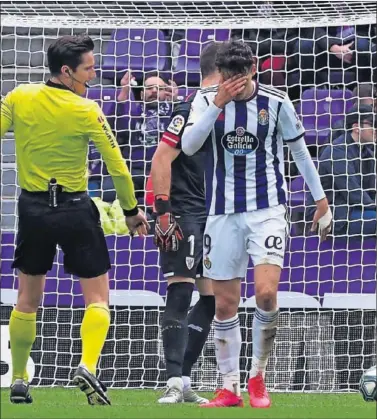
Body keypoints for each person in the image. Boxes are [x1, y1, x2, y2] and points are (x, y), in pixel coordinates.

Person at [181, 40, 332, 408]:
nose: (233, 85)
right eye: (227, 78)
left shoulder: (276, 102)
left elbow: (299, 151)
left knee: (265, 293)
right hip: (221, 213)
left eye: (240, 77)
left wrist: (320, 199)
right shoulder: (206, 100)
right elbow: (187, 146)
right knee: (224, 304)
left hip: (267, 211)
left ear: (252, 72)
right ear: (222, 74)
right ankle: (229, 387)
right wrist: (217, 105)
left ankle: (258, 377)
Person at [0, 34, 149, 406]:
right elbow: (118, 169)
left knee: (27, 299)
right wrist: (131, 212)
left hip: (32, 209)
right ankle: (87, 365)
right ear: (66, 72)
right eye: (88, 68)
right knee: (98, 297)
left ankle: (19, 378)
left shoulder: (18, 97)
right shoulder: (88, 111)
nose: (94, 75)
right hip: (75, 208)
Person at [150, 42, 221, 404]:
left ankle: (186, 378)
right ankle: (173, 379)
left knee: (212, 301)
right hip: (184, 212)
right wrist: (162, 212)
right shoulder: (189, 108)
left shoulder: (227, 111)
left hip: (214, 214)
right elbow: (161, 158)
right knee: (181, 291)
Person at [307, 104, 376, 237]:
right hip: (331, 215)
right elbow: (353, 192)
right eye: (373, 123)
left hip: (352, 210)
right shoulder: (337, 151)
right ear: (356, 127)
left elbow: (370, 191)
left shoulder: (367, 153)